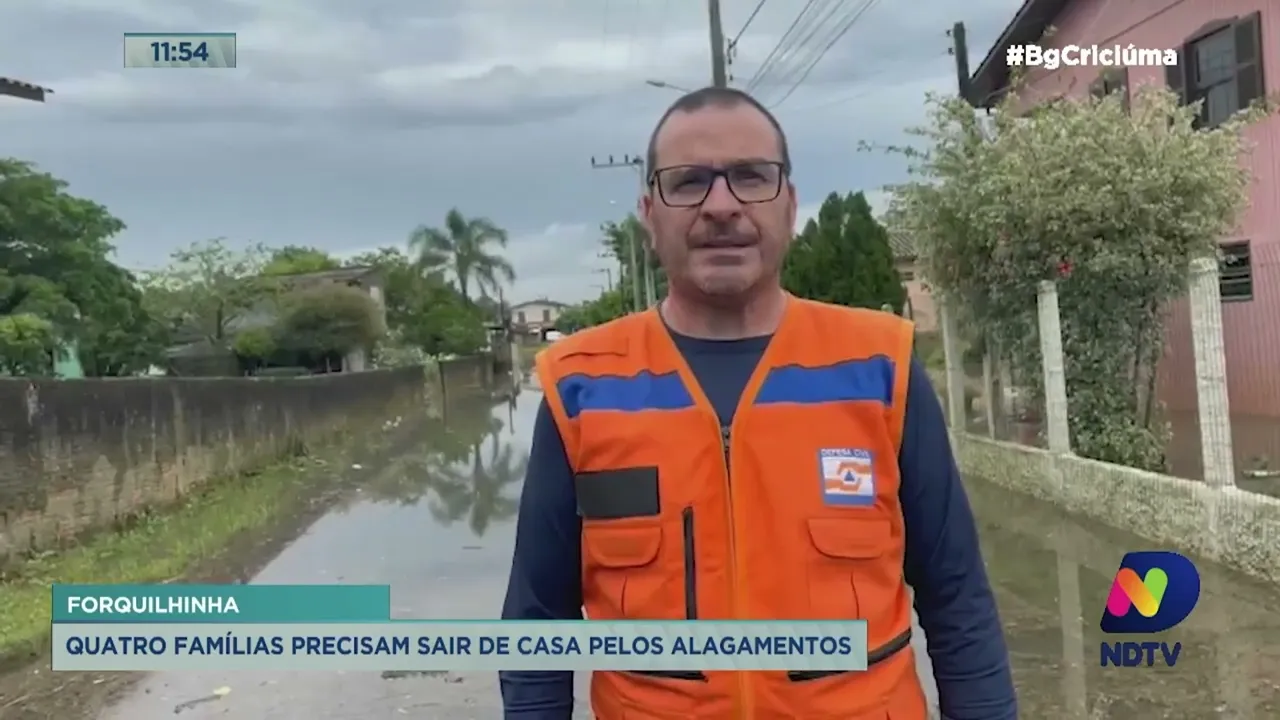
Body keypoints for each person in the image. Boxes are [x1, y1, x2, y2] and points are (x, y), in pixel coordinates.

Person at [501, 86, 1017, 719]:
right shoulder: (580, 388)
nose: (722, 205)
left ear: (789, 205)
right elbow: (537, 625)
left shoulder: (879, 368)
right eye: (689, 182)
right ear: (650, 216)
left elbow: (958, 599)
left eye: (751, 177)